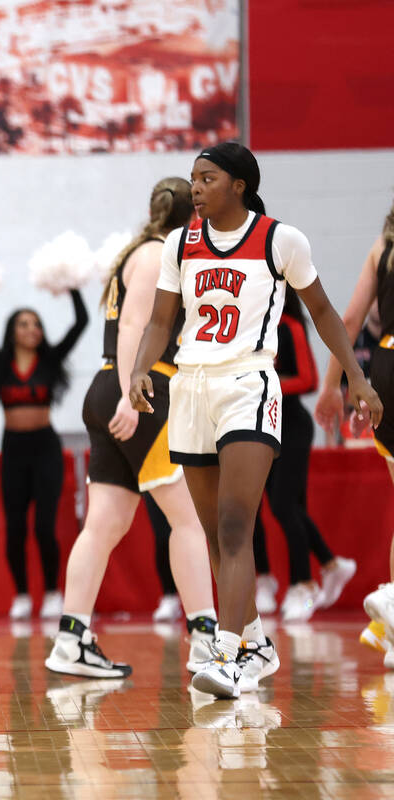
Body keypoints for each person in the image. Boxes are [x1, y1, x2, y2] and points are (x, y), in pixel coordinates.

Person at [129, 143, 381, 700]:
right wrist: (142, 369)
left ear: (238, 185)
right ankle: (255, 642)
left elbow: (321, 311)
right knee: (215, 532)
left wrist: (353, 379)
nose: (194, 188)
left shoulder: (280, 239)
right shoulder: (179, 243)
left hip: (249, 383)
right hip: (189, 387)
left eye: (207, 177)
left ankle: (231, 653)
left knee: (238, 523)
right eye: (192, 178)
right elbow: (159, 319)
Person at [45, 177, 216, 679]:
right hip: (143, 391)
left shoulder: (137, 251)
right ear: (196, 216)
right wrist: (131, 395)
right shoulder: (159, 253)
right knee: (188, 519)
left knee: (105, 524)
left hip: (112, 389)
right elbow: (135, 328)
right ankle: (206, 641)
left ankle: (72, 640)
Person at [313, 197, 394, 667]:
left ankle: (390, 629)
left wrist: (331, 388)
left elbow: (347, 320)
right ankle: (391, 604)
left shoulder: (382, 246)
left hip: (385, 365)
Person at [0, 290, 87, 620]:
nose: (31, 329)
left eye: (36, 324)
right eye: (24, 324)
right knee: (14, 528)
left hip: (45, 449)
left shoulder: (50, 360)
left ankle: (52, 592)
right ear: (13, 331)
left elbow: (81, 323)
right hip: (13, 450)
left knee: (44, 527)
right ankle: (22, 595)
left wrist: (72, 286)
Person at [265, 292, 356, 621]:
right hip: (263, 426)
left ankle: (304, 585)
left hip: (293, 426)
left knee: (283, 505)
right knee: (287, 507)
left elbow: (309, 379)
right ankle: (331, 565)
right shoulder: (252, 327)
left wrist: (266, 383)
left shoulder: (289, 326)